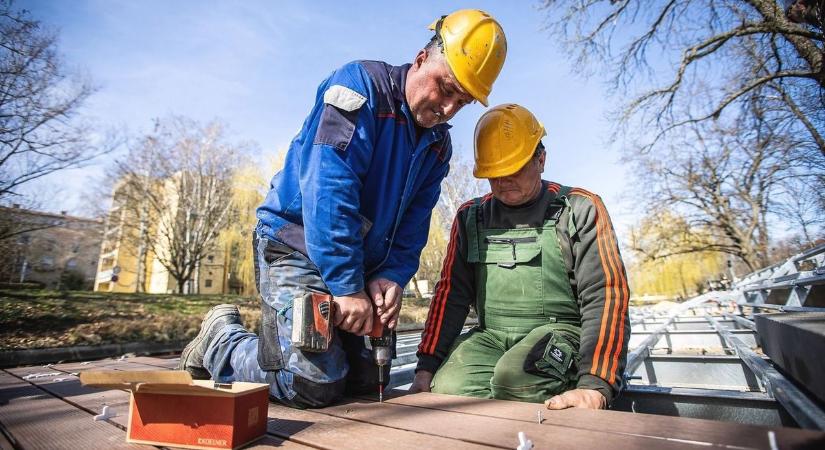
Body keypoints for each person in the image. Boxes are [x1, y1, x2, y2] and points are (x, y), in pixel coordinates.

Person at [178, 9, 508, 409]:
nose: (449, 109)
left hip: (358, 266)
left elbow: (414, 224)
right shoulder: (358, 88)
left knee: (366, 381)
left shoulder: (438, 146)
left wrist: (391, 275)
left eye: (463, 100)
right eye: (446, 88)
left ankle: (315, 345)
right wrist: (348, 285)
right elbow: (328, 189)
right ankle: (222, 341)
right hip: (295, 246)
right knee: (311, 380)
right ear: (422, 59)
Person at [410, 104, 630, 410]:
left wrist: (596, 383)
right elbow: (451, 296)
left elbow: (606, 296)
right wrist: (426, 367)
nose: (504, 181)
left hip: (561, 333)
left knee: (516, 379)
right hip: (492, 337)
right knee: (449, 388)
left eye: (514, 168)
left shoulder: (579, 209)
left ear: (541, 159)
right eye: (494, 173)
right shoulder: (470, 217)